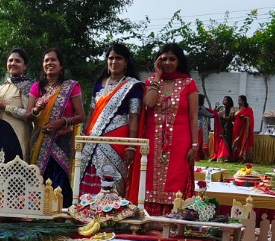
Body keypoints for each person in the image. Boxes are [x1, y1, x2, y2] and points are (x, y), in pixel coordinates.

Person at [137, 43, 199, 214]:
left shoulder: (189, 83)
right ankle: (149, 216)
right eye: (163, 59)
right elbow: (149, 103)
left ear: (179, 61)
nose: (168, 63)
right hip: (152, 139)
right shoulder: (151, 81)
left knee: (177, 177)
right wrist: (157, 76)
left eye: (172, 59)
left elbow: (194, 116)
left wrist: (195, 145)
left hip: (180, 140)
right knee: (150, 178)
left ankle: (176, 215)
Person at [79, 42, 142, 197]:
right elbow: (92, 113)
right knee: (90, 172)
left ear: (126, 62)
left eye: (119, 58)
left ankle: (112, 213)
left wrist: (131, 146)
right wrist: (84, 137)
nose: (114, 62)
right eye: (111, 58)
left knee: (112, 177)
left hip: (117, 140)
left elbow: (134, 117)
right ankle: (88, 211)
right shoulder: (98, 84)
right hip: (93, 138)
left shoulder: (133, 86)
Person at [26, 48, 85, 207]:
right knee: (39, 178)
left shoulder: (71, 87)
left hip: (61, 141)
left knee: (60, 180)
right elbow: (28, 116)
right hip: (39, 141)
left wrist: (62, 122)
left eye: (53, 60)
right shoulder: (37, 87)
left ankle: (61, 214)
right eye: (46, 60)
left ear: (61, 65)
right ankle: (38, 215)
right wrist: (37, 109)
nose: (49, 63)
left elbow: (81, 116)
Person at [0, 48, 34, 176]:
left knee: (14, 176)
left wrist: (5, 107)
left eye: (18, 61)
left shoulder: (28, 86)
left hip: (16, 137)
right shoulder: (2, 86)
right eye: (10, 60)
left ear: (25, 66)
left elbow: (30, 115)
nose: (13, 63)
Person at [232, 95, 255, 163]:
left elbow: (251, 119)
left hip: (243, 129)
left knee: (242, 142)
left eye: (240, 100)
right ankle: (235, 157)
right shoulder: (237, 109)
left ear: (244, 101)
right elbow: (233, 118)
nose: (238, 101)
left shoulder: (248, 109)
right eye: (238, 100)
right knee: (235, 142)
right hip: (236, 128)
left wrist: (245, 118)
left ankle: (242, 157)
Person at [210, 96, 234, 161]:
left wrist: (223, 116)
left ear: (229, 101)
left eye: (225, 100)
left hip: (227, 126)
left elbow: (230, 118)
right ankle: (218, 155)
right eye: (223, 100)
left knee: (226, 141)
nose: (223, 101)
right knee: (219, 141)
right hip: (220, 126)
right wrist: (215, 108)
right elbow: (213, 114)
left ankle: (226, 156)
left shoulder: (231, 108)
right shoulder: (220, 108)